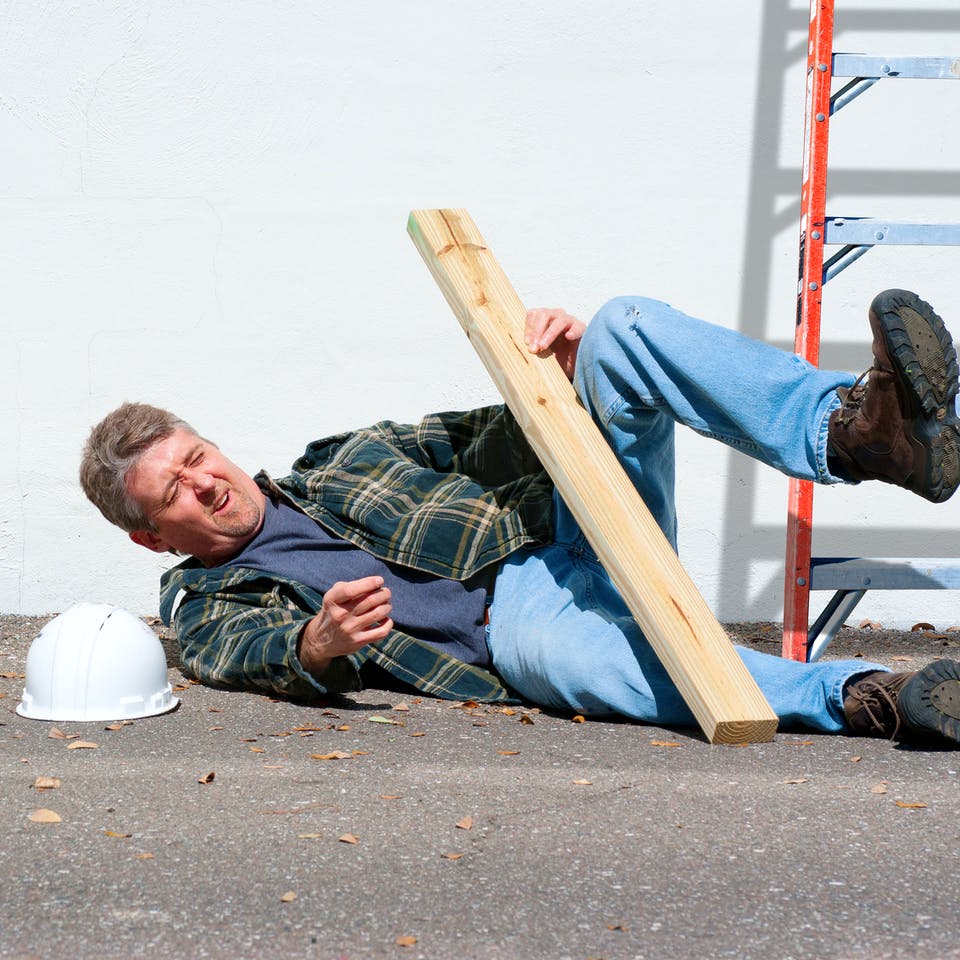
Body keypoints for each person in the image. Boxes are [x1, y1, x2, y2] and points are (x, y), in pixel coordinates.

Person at [80, 289, 960, 746]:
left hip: (576, 525)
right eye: (174, 496)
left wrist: (571, 375)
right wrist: (314, 647)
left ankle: (856, 434)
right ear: (150, 534)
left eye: (197, 458)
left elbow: (492, 434)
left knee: (621, 326)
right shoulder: (207, 594)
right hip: (518, 622)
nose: (205, 485)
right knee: (568, 654)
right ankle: (870, 700)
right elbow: (232, 654)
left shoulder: (339, 460)